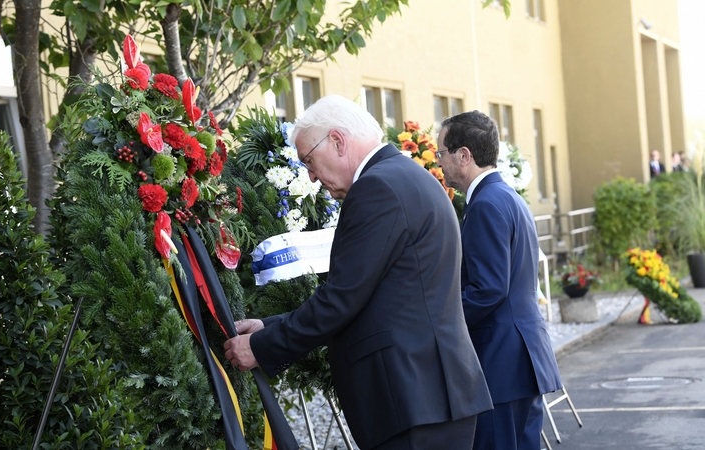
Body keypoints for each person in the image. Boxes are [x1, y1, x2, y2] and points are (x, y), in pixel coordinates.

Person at [224, 95, 492, 450]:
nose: (312, 177)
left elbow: (342, 298)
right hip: (430, 395)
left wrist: (262, 346)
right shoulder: (406, 175)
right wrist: (268, 326)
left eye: (309, 161)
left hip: (413, 399)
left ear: (337, 141)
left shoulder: (376, 187)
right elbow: (374, 296)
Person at [437, 111, 562, 450]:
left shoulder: (486, 204)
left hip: (501, 361)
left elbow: (488, 289)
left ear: (464, 156)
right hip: (521, 358)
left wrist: (439, 322)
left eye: (442, 154)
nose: (439, 162)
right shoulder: (509, 197)